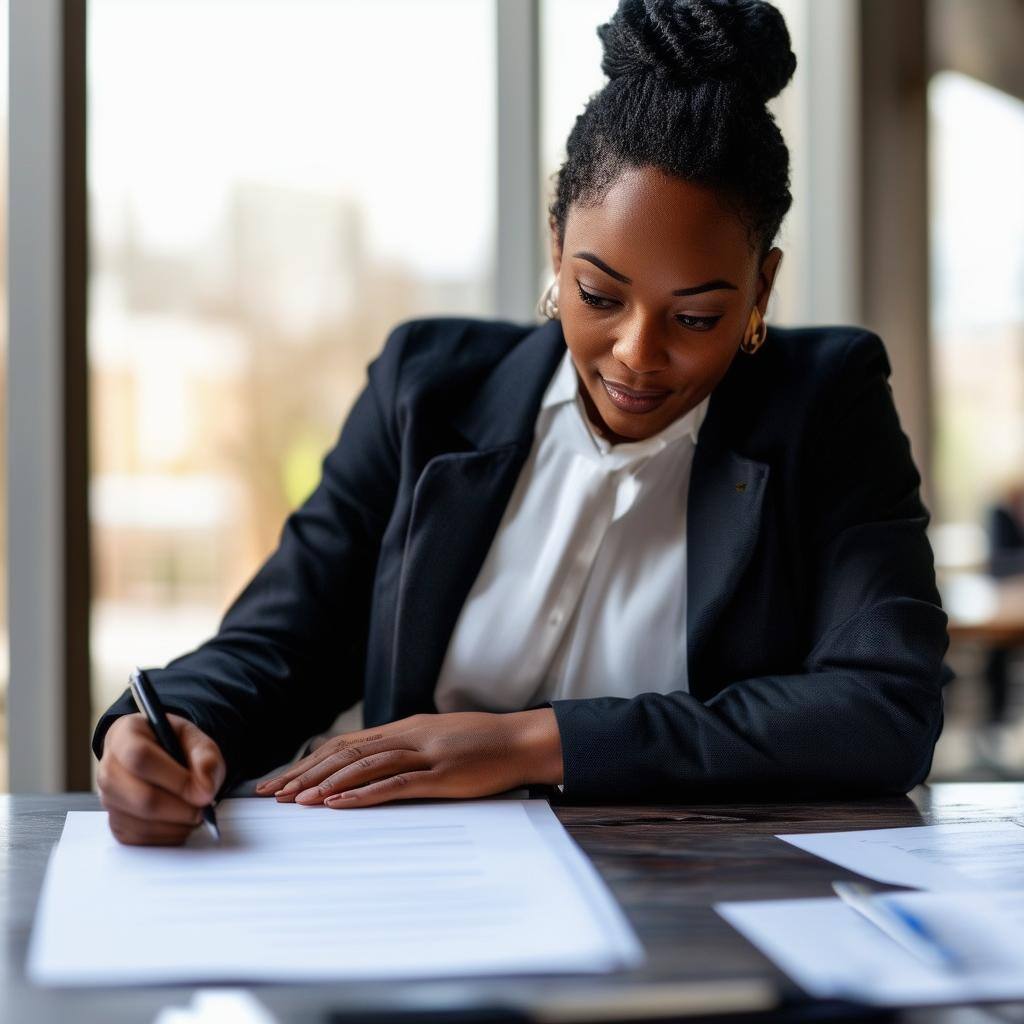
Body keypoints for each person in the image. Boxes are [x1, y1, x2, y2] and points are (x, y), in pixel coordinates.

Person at [93, 0, 950, 847]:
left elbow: (882, 708)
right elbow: (283, 642)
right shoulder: (424, 390)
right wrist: (167, 724)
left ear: (760, 290)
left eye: (694, 318)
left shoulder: (825, 402)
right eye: (598, 295)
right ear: (555, 249)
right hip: (417, 894)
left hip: (699, 909)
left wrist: (529, 742)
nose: (636, 354)